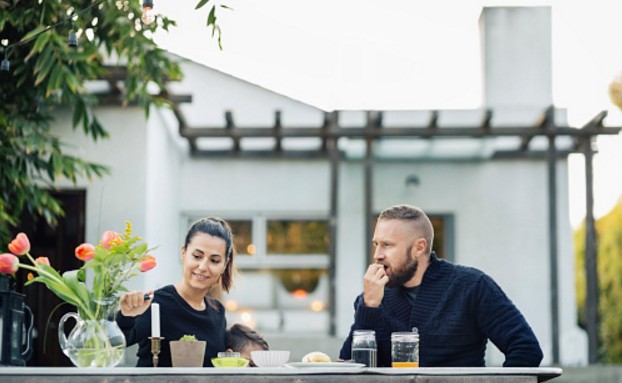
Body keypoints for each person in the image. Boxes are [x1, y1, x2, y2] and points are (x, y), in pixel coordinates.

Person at [339, 204, 543, 367]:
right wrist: (369, 307)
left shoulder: (472, 286)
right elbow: (349, 368)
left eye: (388, 245)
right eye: (376, 244)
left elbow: (525, 349)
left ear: (419, 247)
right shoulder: (371, 298)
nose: (377, 255)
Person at [117, 217, 236, 367]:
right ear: (184, 253)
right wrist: (126, 316)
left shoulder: (218, 313)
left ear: (224, 265)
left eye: (214, 260)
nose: (203, 266)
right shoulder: (155, 303)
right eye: (197, 256)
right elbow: (109, 347)